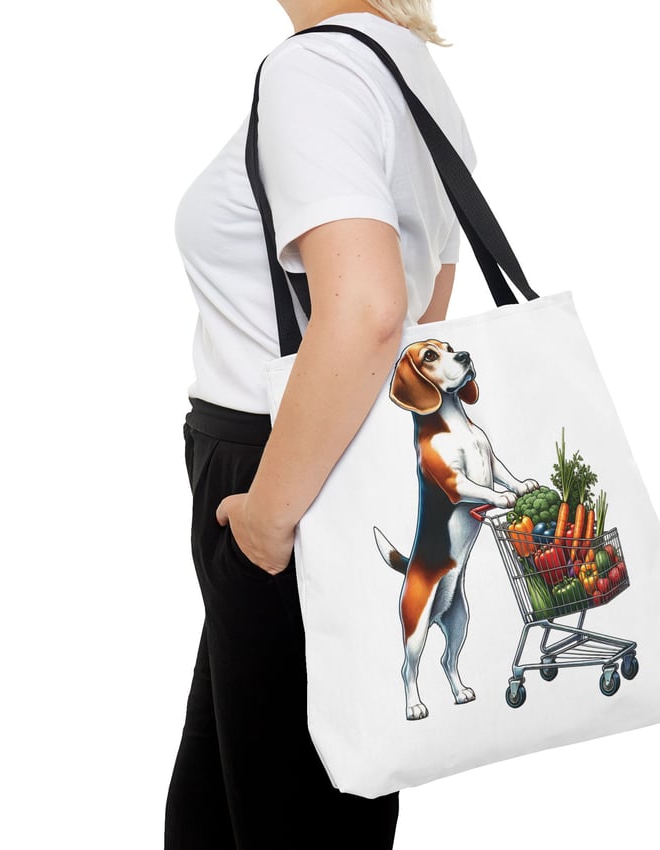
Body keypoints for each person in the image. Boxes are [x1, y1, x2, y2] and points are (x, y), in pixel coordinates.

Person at [164, 1, 478, 847]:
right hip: (334, 460)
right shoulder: (406, 68)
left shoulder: (315, 71)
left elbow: (374, 313)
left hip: (281, 476)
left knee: (284, 817)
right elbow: (424, 315)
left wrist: (267, 520)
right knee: (240, 808)